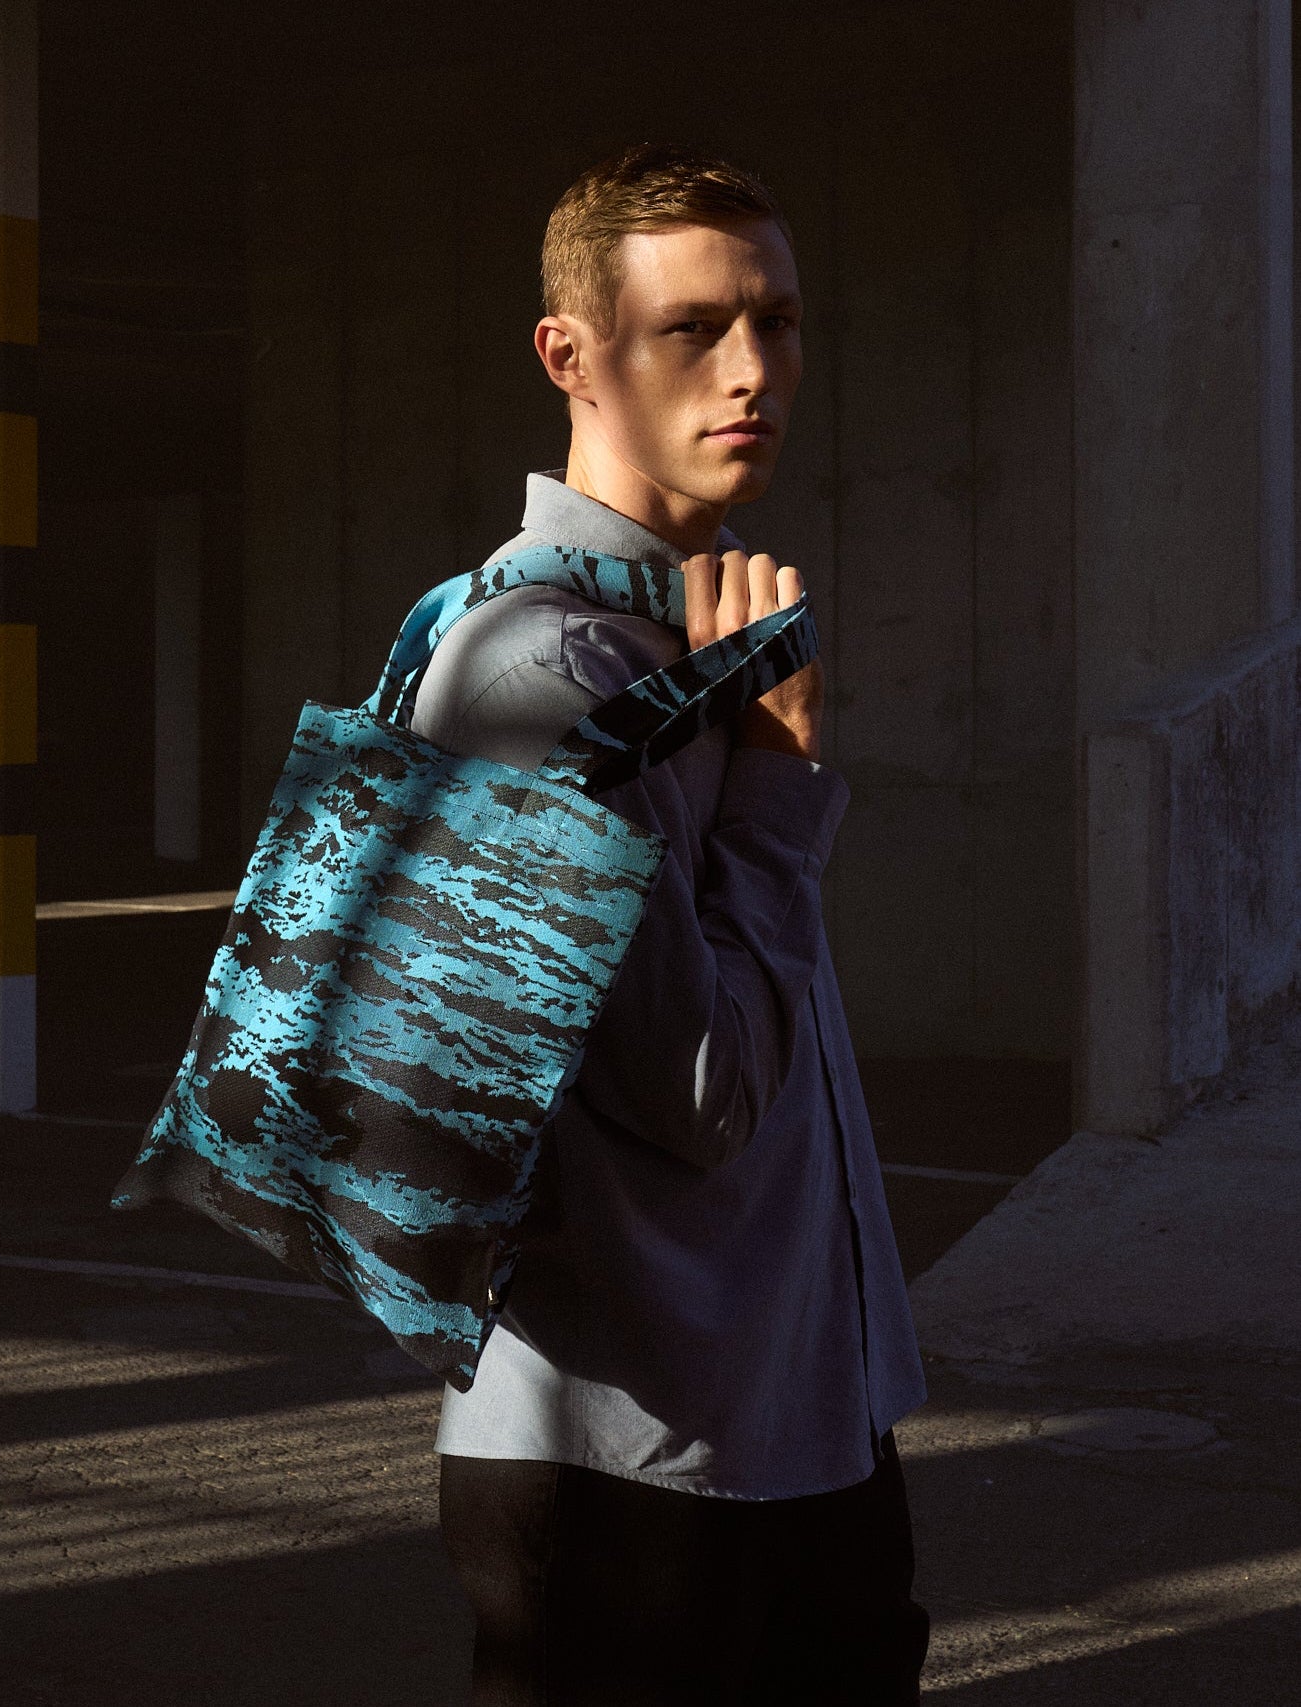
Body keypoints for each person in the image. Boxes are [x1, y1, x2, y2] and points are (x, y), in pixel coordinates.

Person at [412, 142, 930, 1706]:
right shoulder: (536, 671)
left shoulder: (700, 642)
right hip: (635, 1470)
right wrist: (781, 791)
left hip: (804, 1424)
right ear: (569, 356)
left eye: (776, 319)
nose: (753, 369)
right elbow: (695, 1097)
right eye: (692, 329)